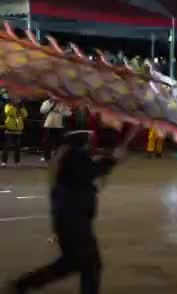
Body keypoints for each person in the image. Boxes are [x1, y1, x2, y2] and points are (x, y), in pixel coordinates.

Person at [7, 127, 138, 294]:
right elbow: (93, 171)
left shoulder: (70, 158)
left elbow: (92, 171)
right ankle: (23, 284)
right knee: (90, 265)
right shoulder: (74, 157)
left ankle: (22, 284)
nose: (93, 145)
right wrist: (113, 160)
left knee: (71, 264)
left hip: (71, 220)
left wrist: (110, 160)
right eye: (90, 142)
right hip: (74, 222)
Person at [40, 98, 72, 162]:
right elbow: (42, 110)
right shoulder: (47, 102)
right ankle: (46, 157)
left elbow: (69, 113)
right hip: (49, 124)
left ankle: (58, 157)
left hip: (59, 124)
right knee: (47, 141)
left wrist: (62, 111)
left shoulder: (63, 103)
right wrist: (50, 103)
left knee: (59, 142)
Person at [2, 97, 28, 168]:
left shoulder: (21, 107)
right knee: (6, 147)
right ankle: (4, 162)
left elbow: (25, 115)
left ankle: (17, 161)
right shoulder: (8, 106)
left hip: (18, 130)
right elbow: (9, 112)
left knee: (17, 147)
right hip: (9, 130)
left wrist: (21, 108)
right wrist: (16, 109)